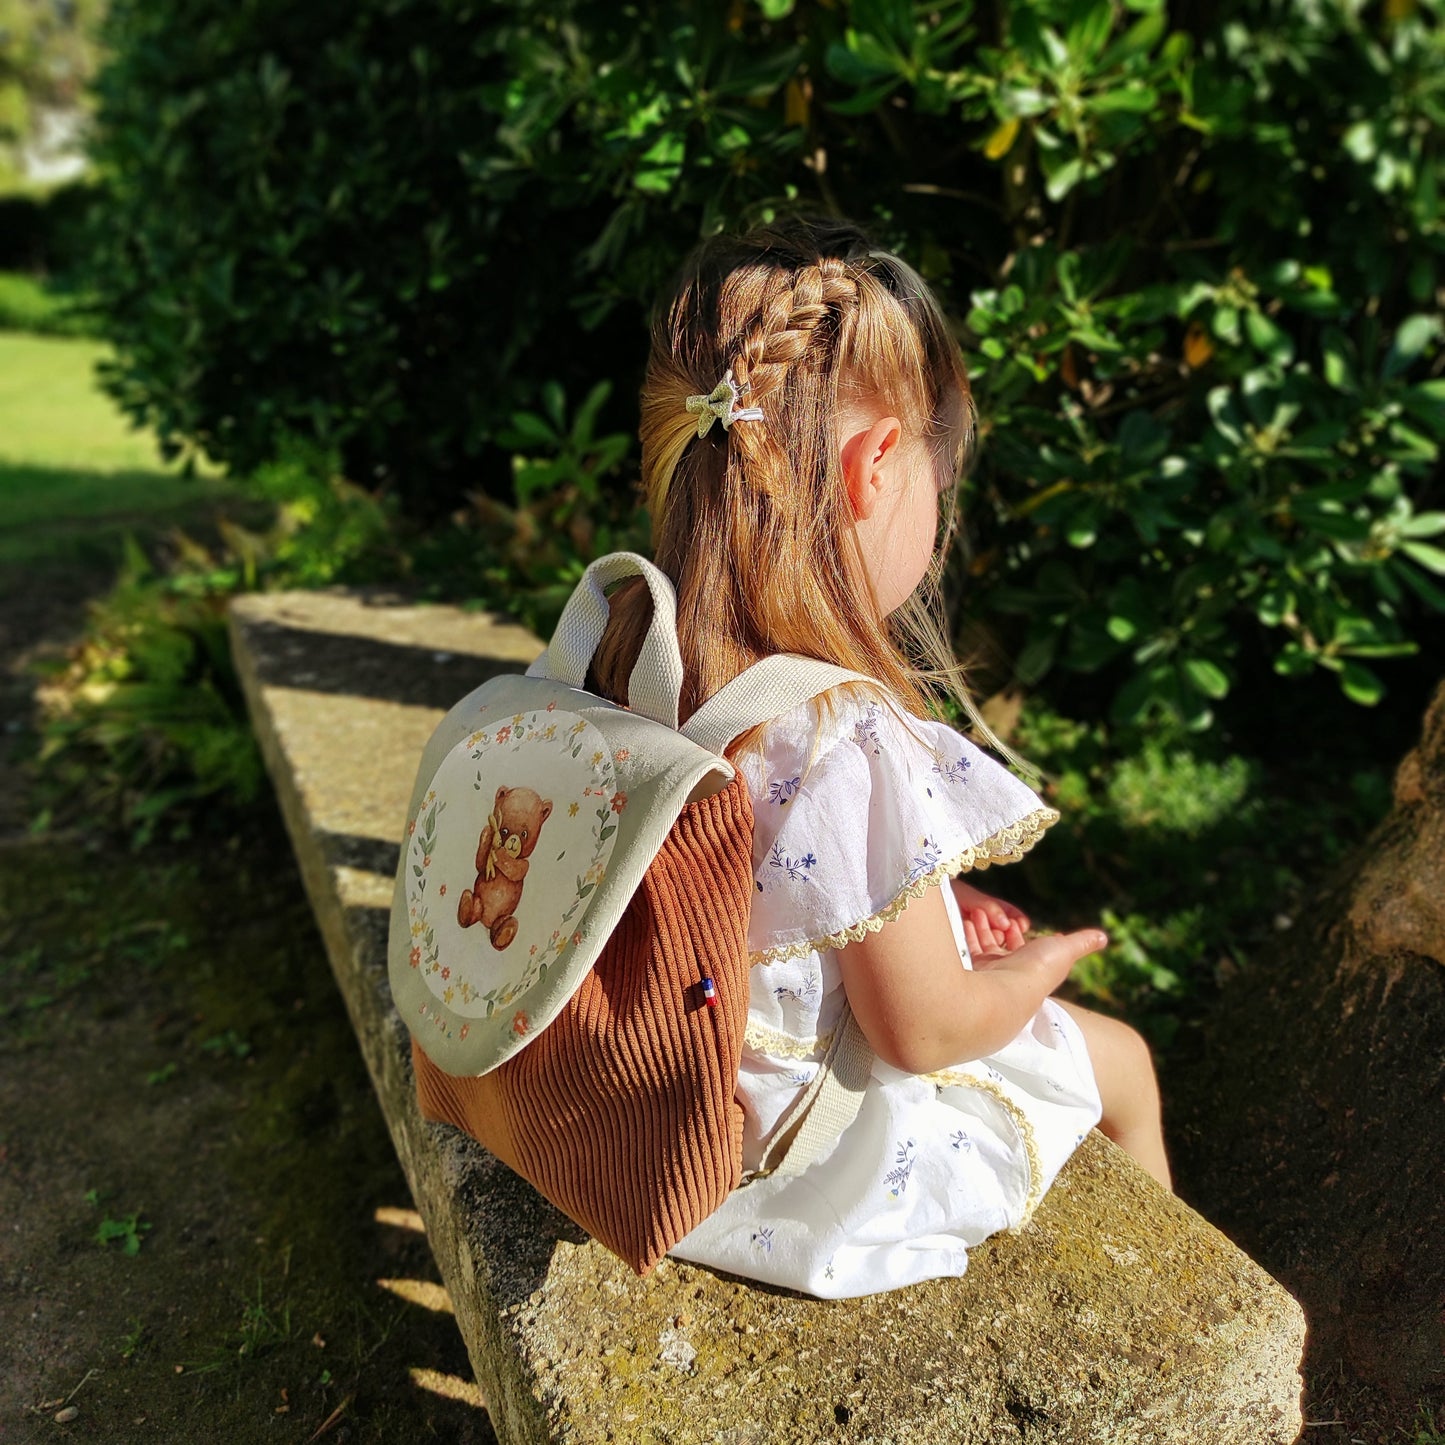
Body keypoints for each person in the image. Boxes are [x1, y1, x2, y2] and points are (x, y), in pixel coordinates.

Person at [586, 216, 1170, 1299]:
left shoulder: (625, 631)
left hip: (640, 1085)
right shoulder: (836, 732)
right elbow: (922, 1029)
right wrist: (1033, 966)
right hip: (779, 1157)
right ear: (875, 467)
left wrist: (939, 916)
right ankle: (1176, 1318)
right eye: (938, 482)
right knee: (1121, 1059)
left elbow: (758, 895)